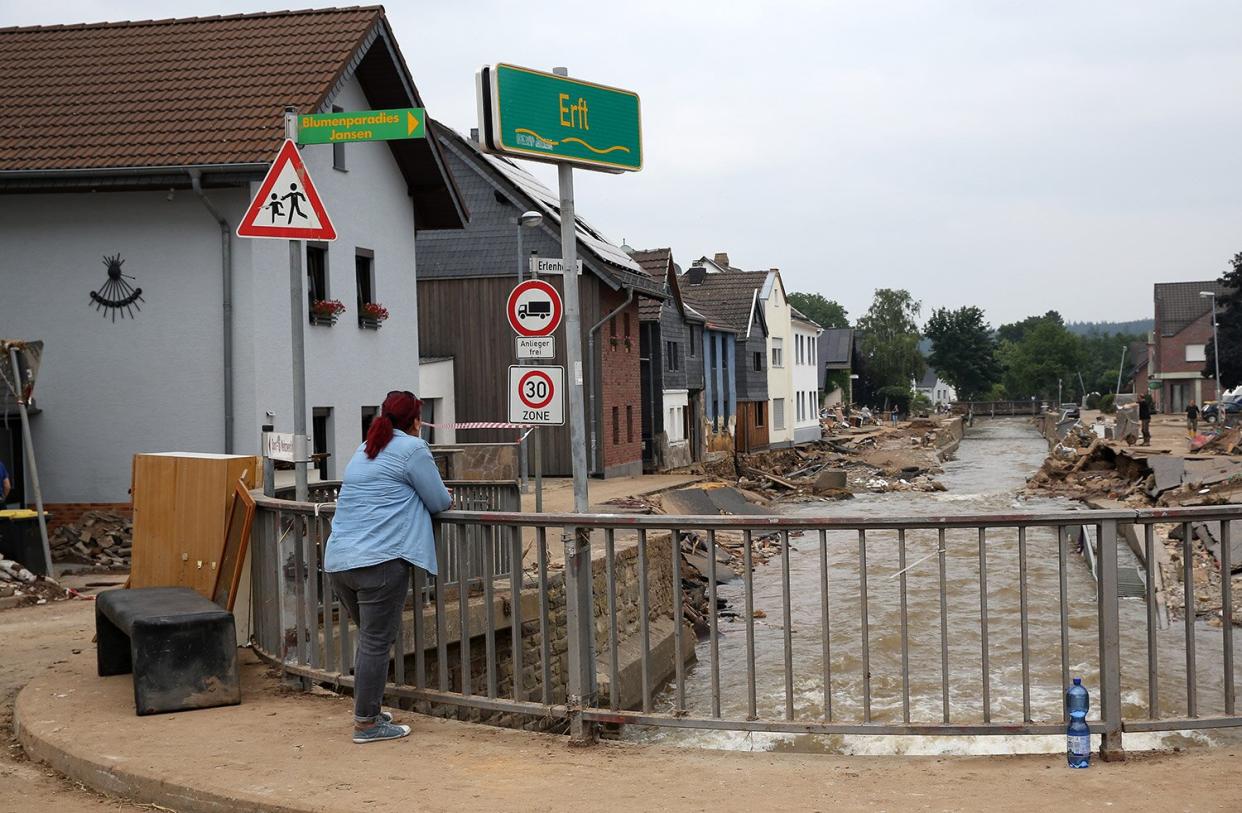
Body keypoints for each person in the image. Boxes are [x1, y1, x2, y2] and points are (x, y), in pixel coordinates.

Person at [324, 390, 452, 744]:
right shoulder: (412, 449)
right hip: (380, 563)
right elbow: (439, 500)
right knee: (376, 642)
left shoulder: (364, 449)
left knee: (370, 639)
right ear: (415, 420)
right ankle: (367, 723)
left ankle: (371, 710)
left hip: (340, 562)